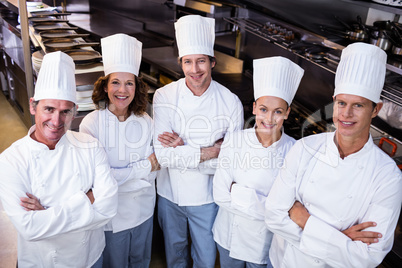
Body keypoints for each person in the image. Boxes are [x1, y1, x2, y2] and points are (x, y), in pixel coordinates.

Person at [265, 42, 402, 267]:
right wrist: (340, 239)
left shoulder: (387, 177)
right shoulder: (304, 148)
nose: (346, 114)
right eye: (341, 103)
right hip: (282, 261)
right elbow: (273, 215)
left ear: (375, 109)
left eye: (358, 105)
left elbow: (367, 257)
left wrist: (303, 219)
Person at [0, 51, 118, 267]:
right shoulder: (10, 161)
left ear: (74, 112)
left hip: (90, 257)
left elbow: (108, 207)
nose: (56, 121)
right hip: (42, 262)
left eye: (65, 111)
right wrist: (88, 198)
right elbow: (31, 229)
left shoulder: (90, 145)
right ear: (33, 106)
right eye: (49, 109)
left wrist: (46, 213)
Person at [153, 14, 244, 267]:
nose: (195, 70)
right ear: (181, 63)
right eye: (188, 62)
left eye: (201, 61)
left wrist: (184, 150)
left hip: (208, 197)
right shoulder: (164, 96)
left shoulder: (230, 102)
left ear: (212, 62)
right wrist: (213, 150)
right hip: (170, 193)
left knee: (205, 256)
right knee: (174, 253)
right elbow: (163, 156)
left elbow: (231, 162)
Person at [212, 56, 304, 268]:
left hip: (265, 245)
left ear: (287, 113)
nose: (269, 119)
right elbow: (219, 195)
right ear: (254, 108)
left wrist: (238, 193)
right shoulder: (235, 140)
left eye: (278, 111)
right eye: (263, 109)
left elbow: (289, 211)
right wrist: (270, 207)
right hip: (228, 237)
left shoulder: (294, 151)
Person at [80, 33, 159, 268]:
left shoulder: (146, 121)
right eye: (115, 82)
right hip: (111, 216)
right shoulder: (91, 124)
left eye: (129, 83)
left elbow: (155, 172)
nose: (122, 90)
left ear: (137, 87)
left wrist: (120, 177)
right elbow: (98, 179)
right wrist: (143, 167)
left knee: (141, 261)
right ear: (105, 86)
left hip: (144, 211)